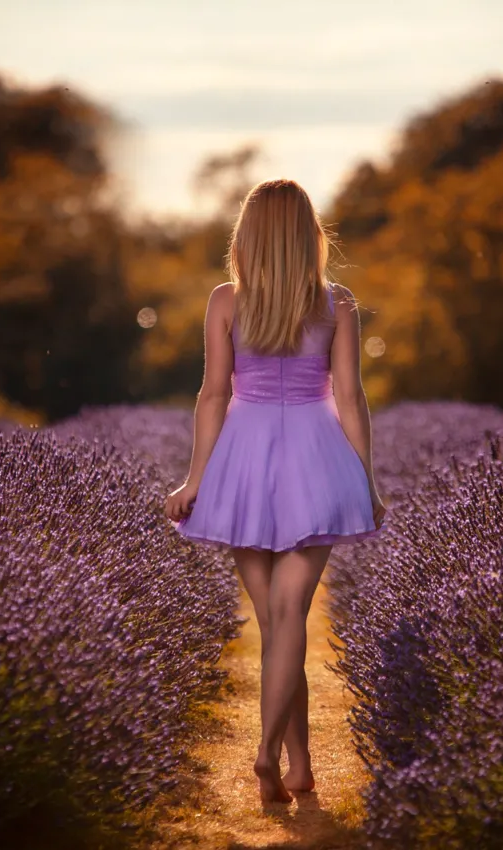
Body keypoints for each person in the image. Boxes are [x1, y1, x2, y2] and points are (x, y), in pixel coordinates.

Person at [164, 178, 386, 804]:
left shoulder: (225, 301)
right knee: (286, 621)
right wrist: (363, 477)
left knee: (276, 622)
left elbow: (212, 394)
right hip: (317, 458)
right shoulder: (337, 302)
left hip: (244, 458)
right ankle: (295, 764)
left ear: (249, 235)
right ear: (309, 236)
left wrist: (196, 479)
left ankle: (270, 755)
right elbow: (349, 398)